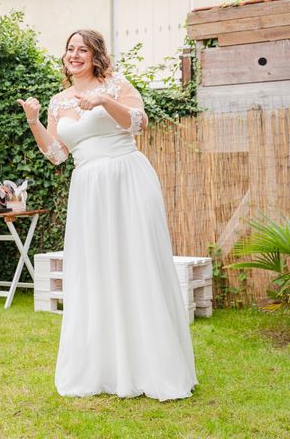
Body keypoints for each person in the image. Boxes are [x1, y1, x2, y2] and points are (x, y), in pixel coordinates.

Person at [18, 29, 197, 400]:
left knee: (137, 264)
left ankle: (152, 367)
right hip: (89, 189)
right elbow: (57, 154)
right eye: (70, 49)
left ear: (96, 54)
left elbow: (139, 123)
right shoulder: (58, 101)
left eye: (82, 49)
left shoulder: (115, 84)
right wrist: (35, 120)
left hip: (127, 177)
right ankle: (103, 368)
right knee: (96, 269)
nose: (75, 54)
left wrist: (102, 100)